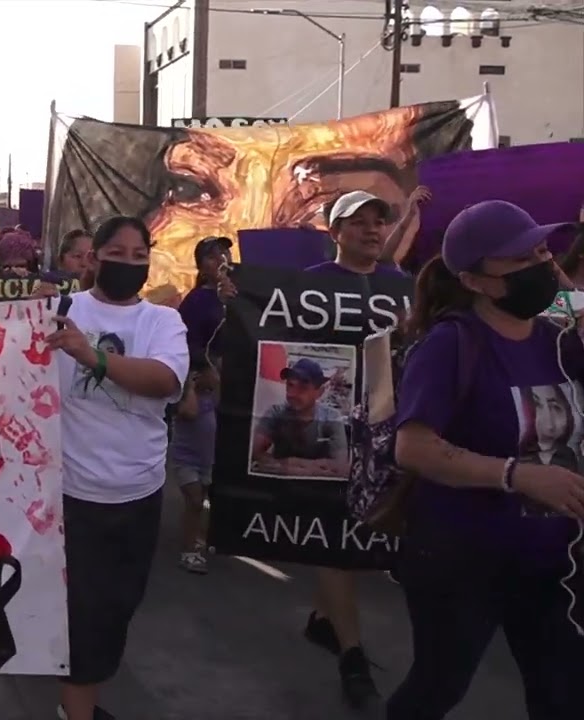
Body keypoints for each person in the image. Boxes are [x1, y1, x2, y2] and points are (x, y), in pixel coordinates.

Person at [389, 199, 584, 719]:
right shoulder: (452, 343)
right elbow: (413, 447)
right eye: (522, 261)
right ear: (476, 281)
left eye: (544, 251)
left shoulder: (562, 339)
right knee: (438, 687)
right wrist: (517, 475)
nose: (543, 265)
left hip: (554, 563)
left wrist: (576, 302)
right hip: (463, 560)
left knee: (563, 695)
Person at [219, 189, 402, 707]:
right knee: (333, 537)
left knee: (369, 538)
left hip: (386, 435)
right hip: (327, 436)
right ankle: (353, 655)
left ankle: (326, 620)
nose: (371, 230)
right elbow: (261, 334)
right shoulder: (309, 285)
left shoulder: (400, 286)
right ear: (335, 231)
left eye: (379, 221)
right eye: (359, 222)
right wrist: (236, 300)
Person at [46, 215, 189, 720]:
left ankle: (82, 698)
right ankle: (75, 709)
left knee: (118, 605)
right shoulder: (60, 311)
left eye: (139, 255)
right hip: (74, 493)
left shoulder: (162, 321)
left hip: (138, 491)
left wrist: (92, 356)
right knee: (84, 613)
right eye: (117, 252)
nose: (129, 263)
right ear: (93, 258)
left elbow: (164, 380)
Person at [251, 358, 349, 477]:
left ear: (320, 392)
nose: (291, 393)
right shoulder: (276, 412)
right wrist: (310, 467)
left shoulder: (331, 417)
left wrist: (288, 466)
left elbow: (340, 467)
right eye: (290, 385)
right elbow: (254, 453)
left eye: (303, 387)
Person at [168, 355, 217, 573]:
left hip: (206, 459)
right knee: (196, 501)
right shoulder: (183, 396)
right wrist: (190, 384)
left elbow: (218, 381)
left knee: (196, 505)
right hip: (185, 458)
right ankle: (189, 552)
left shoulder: (210, 396)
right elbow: (190, 412)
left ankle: (192, 542)